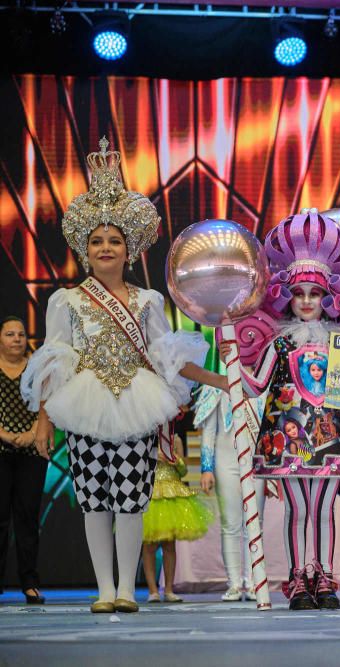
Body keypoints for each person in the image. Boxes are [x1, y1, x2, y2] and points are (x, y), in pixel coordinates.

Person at [20, 138, 227, 614]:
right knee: (95, 498)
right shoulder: (65, 301)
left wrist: (216, 379)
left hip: (136, 401)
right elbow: (54, 361)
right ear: (84, 249)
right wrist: (45, 419)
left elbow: (165, 358)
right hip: (86, 404)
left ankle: (130, 592)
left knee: (132, 500)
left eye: (114, 241)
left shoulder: (149, 301)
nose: (105, 247)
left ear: (128, 249)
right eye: (97, 241)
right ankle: (104, 589)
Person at [222, 210, 340, 611]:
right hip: (287, 436)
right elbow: (257, 385)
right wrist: (233, 359)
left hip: (330, 436)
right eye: (300, 293)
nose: (307, 301)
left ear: (329, 297)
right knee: (297, 508)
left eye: (315, 293)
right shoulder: (280, 342)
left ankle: (322, 577)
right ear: (287, 296)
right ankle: (300, 578)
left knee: (323, 507)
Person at [193, 382, 268, 601]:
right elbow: (209, 430)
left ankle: (255, 582)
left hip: (256, 461)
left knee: (255, 524)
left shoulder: (261, 385)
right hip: (225, 461)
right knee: (230, 524)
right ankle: (234, 583)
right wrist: (206, 468)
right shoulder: (215, 385)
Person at [0, 316, 46, 605]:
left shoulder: (37, 369)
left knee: (27, 518)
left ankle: (29, 583)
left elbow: (48, 403)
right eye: (9, 334)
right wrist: (3, 434)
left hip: (32, 451)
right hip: (0, 449)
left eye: (21, 334)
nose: (16, 339)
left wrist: (32, 433)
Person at [141, 426, 213, 603]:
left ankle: (169, 590)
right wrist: (152, 457)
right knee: (149, 545)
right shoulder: (144, 436)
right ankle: (152, 591)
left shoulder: (175, 439)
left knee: (169, 545)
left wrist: (175, 460)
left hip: (172, 494)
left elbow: (184, 471)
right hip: (151, 493)